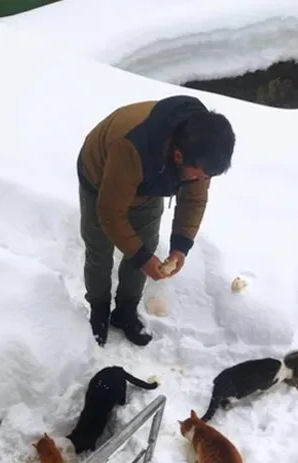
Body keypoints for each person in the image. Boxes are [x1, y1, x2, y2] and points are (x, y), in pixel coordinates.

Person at [76, 95, 235, 346]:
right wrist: (141, 258)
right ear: (179, 156)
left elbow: (193, 201)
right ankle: (99, 310)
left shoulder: (203, 147)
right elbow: (109, 212)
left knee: (144, 246)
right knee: (100, 250)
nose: (204, 180)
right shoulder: (131, 146)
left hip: (149, 184)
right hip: (101, 179)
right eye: (202, 175)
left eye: (209, 176)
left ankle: (125, 311)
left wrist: (180, 247)